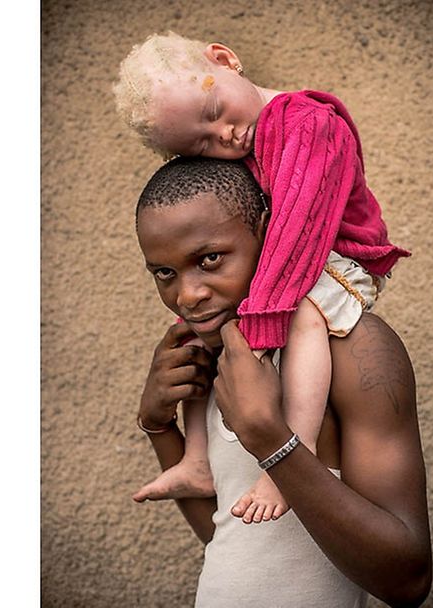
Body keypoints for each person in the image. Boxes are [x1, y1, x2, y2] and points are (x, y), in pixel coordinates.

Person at [115, 32, 410, 522]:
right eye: (202, 144)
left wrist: (262, 323)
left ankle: (296, 450)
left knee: (304, 318)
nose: (225, 137)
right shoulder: (248, 136)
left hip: (338, 257)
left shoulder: (309, 124)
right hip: (284, 265)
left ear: (225, 59)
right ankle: (195, 460)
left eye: (215, 113)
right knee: (203, 332)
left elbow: (297, 231)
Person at [133, 157, 431, 607]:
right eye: (164, 273)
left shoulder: (352, 345)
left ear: (269, 234)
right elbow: (228, 535)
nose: (187, 294)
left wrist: (272, 441)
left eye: (210, 259)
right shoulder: (223, 355)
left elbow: (406, 581)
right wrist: (158, 425)